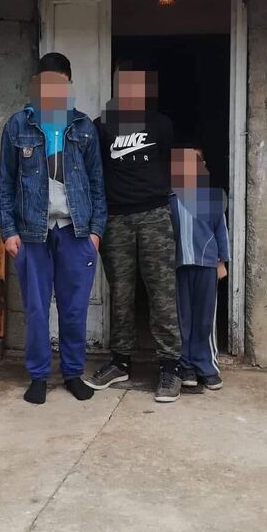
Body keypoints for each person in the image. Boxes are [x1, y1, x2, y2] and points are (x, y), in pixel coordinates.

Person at [0, 53, 106, 405]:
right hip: (32, 233)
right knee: (37, 309)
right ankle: (39, 375)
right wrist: (8, 231)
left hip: (76, 231)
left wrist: (95, 232)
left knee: (74, 309)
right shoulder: (19, 125)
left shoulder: (83, 127)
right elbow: (5, 183)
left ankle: (73, 373)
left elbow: (97, 184)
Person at [86, 67, 182, 403]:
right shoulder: (101, 127)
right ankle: (120, 362)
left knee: (162, 292)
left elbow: (168, 164)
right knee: (121, 294)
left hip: (155, 215)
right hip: (116, 219)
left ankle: (170, 366)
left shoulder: (161, 125)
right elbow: (96, 171)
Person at [169, 147, 230, 391]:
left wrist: (221, 262)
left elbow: (221, 230)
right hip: (178, 266)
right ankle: (185, 365)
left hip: (206, 265)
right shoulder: (168, 198)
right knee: (181, 318)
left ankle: (206, 365)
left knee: (204, 318)